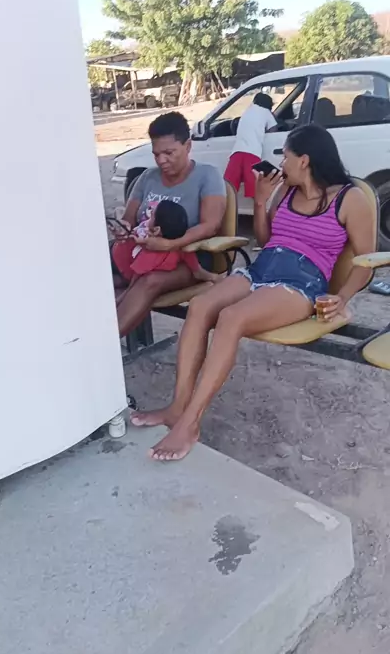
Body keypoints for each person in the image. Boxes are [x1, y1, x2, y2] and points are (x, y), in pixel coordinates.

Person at [132, 124, 375, 461]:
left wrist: (342, 297)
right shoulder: (286, 190)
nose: (281, 163)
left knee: (231, 318)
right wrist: (261, 202)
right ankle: (177, 407)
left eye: (286, 156)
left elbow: (365, 261)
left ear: (304, 160)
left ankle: (190, 422)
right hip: (262, 268)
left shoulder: (350, 198)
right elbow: (265, 239)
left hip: (300, 281)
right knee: (200, 305)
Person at [110, 111, 227, 336]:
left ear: (188, 146)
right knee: (97, 273)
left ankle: (105, 345)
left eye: (169, 153)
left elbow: (210, 225)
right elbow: (129, 219)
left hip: (190, 256)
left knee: (149, 280)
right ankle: (82, 334)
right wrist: (122, 229)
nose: (161, 160)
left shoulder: (207, 176)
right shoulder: (147, 178)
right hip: (142, 253)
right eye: (156, 154)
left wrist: (170, 245)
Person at [114, 199, 222, 306]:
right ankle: (205, 274)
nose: (150, 216)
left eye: (152, 216)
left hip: (133, 271)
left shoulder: (149, 255)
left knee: (128, 279)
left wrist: (125, 294)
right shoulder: (178, 246)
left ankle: (125, 290)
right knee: (188, 255)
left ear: (156, 230)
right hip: (170, 259)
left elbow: (136, 276)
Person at [224, 92, 277, 198]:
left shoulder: (247, 111)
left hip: (237, 152)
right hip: (252, 153)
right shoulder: (266, 113)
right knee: (255, 189)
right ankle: (258, 207)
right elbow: (273, 129)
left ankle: (227, 207)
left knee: (228, 187)